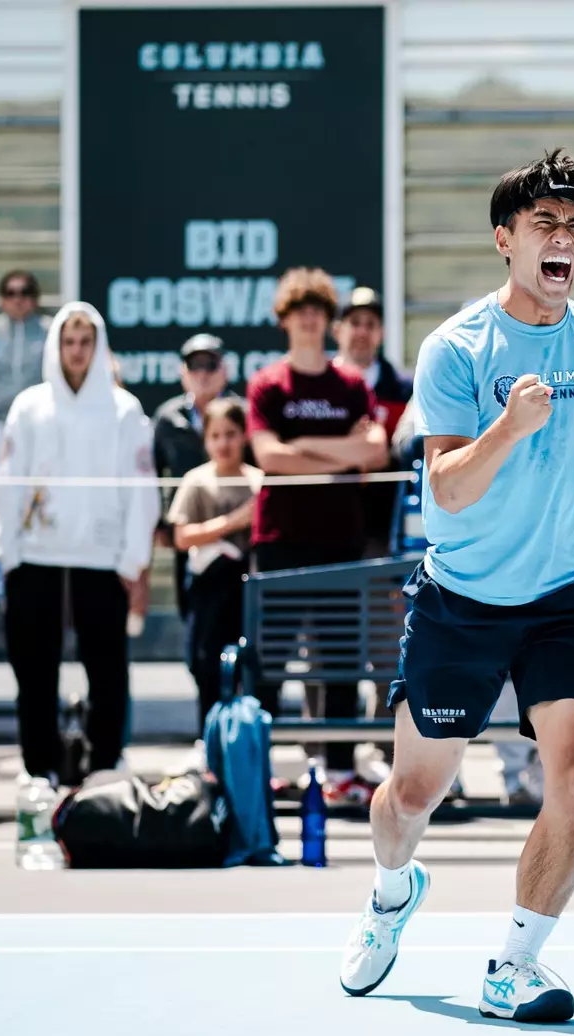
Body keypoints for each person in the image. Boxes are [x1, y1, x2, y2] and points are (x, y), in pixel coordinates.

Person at [339, 149, 574, 1023]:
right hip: (462, 601)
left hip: (570, 600)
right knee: (410, 799)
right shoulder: (455, 347)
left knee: (573, 784)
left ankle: (516, 964)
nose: (563, 240)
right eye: (545, 226)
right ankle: (390, 895)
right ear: (506, 240)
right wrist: (506, 427)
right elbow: (444, 488)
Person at [0, 303, 159, 783]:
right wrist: (9, 552)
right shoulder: (29, 406)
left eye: (86, 341)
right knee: (34, 672)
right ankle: (37, 766)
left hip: (101, 560)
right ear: (56, 347)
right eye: (69, 341)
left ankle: (105, 764)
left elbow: (142, 490)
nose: (77, 351)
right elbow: (7, 483)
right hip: (36, 557)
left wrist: (133, 560)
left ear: (98, 346)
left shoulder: (124, 410)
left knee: (107, 671)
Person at [247, 268, 389, 793]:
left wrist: (302, 446)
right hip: (279, 541)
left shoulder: (350, 385)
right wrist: (337, 454)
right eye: (298, 310)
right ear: (283, 320)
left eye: (317, 310)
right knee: (269, 661)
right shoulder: (266, 384)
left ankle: (339, 770)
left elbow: (374, 451)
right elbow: (268, 457)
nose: (308, 319)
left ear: (327, 321)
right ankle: (254, 766)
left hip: (339, 538)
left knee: (340, 657)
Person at [168, 398, 258, 732]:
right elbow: (182, 536)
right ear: (205, 439)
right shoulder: (196, 481)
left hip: (247, 592)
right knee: (204, 665)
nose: (224, 443)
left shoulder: (259, 481)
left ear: (244, 436)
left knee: (247, 667)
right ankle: (209, 742)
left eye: (231, 434)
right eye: (216, 435)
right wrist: (232, 522)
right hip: (208, 591)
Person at [333, 286, 413, 558]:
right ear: (337, 330)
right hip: (327, 520)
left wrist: (380, 453)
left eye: (371, 324)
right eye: (354, 323)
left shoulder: (405, 389)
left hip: (385, 524)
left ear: (382, 333)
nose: (362, 332)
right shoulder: (319, 388)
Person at [153, 333, 229, 615]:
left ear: (225, 369)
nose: (203, 373)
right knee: (191, 610)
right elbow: (154, 472)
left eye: (210, 364)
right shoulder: (167, 418)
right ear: (182, 372)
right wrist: (160, 523)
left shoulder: (240, 413)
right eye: (194, 364)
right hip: (186, 532)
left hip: (233, 531)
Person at [0, 270, 48, 538]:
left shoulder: (49, 331)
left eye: (25, 292)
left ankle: (34, 550)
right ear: (2, 299)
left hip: (38, 426)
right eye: (11, 293)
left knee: (36, 489)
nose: (18, 299)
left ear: (35, 298)